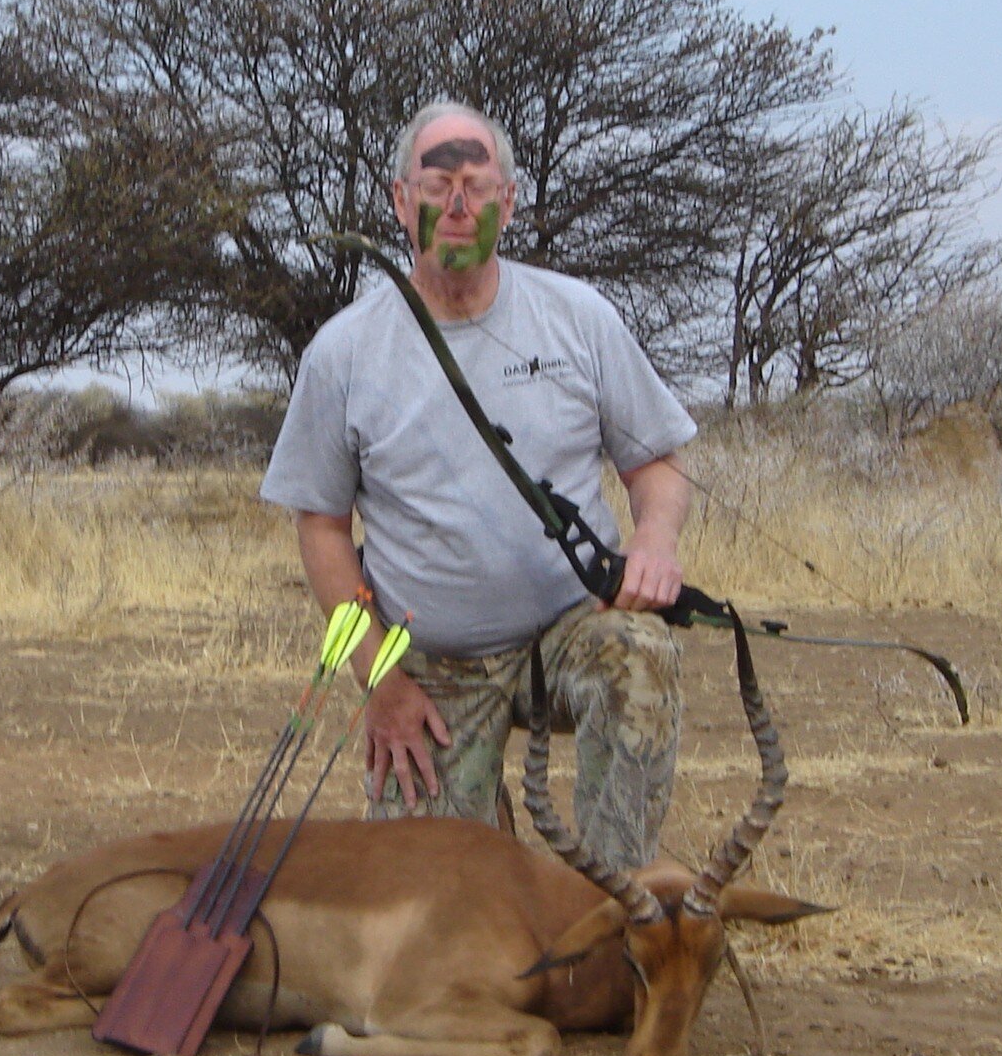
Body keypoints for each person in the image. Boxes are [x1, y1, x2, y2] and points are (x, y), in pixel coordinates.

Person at [259, 100, 698, 870]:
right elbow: (322, 530)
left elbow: (656, 462)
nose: (457, 206)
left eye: (475, 184)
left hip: (570, 630)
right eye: (436, 186)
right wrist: (379, 681)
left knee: (642, 656)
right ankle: (477, 839)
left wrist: (653, 544)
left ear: (509, 201)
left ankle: (607, 907)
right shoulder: (344, 351)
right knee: (421, 895)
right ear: (401, 202)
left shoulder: (580, 317)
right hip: (429, 660)